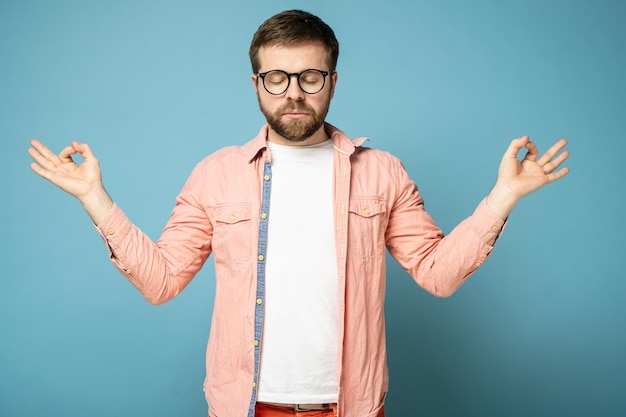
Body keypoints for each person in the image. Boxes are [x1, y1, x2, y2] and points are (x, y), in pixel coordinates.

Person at [27, 9, 569, 417]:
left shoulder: (382, 172)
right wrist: (94, 196)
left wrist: (504, 195)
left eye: (310, 77)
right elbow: (162, 280)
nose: (293, 94)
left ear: (333, 81)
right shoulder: (216, 173)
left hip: (352, 407)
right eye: (277, 78)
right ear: (257, 83)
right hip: (247, 408)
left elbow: (438, 273)